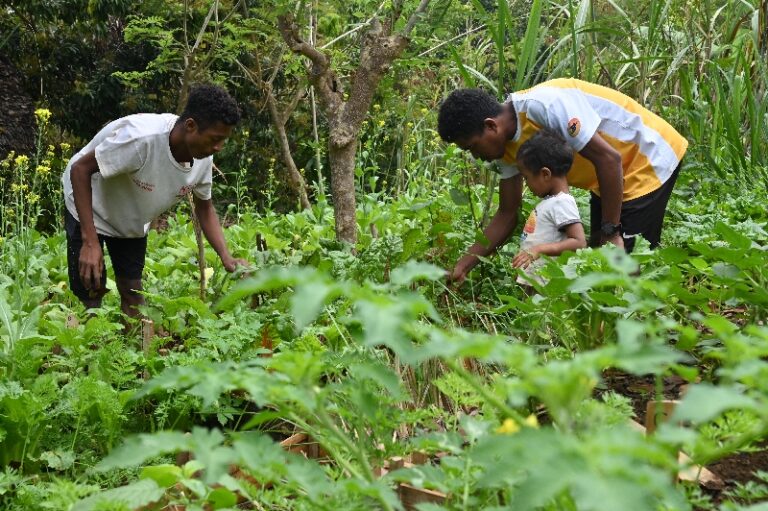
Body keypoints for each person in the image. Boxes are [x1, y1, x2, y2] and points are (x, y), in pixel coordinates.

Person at [437, 78, 688, 284]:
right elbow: (507, 212)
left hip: (647, 156)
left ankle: (646, 334)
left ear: (491, 126)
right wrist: (464, 265)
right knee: (603, 266)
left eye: (472, 147)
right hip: (609, 179)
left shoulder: (544, 105)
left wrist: (611, 231)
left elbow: (609, 159)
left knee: (627, 268)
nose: (476, 156)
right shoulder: (502, 149)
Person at [62, 84, 248, 317]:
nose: (218, 148)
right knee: (91, 288)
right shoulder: (142, 140)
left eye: (223, 141)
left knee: (133, 293)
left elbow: (205, 207)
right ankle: (88, 341)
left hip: (131, 218)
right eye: (215, 139)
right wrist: (90, 242)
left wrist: (226, 257)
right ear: (191, 126)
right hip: (91, 204)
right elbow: (80, 170)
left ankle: (136, 348)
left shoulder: (203, 156)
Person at [512, 130, 586, 284]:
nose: (526, 183)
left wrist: (539, 250)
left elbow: (579, 242)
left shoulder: (562, 202)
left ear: (545, 174)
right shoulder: (549, 202)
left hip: (547, 285)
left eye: (526, 177)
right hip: (537, 281)